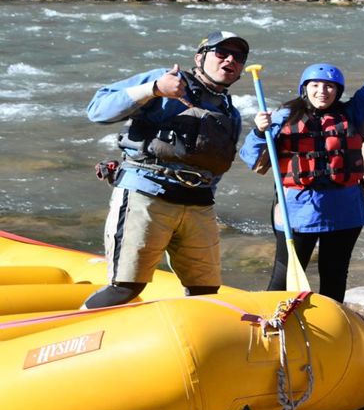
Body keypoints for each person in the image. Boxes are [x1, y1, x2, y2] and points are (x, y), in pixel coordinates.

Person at [238, 19, 364, 301]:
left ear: (338, 90)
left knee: (334, 276)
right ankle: (271, 326)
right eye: (316, 85)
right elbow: (251, 157)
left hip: (344, 211)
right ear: (304, 89)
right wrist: (260, 131)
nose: (323, 91)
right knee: (283, 277)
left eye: (330, 86)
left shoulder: (353, 114)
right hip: (297, 211)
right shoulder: (284, 117)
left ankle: (329, 332)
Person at [84, 31, 249, 308]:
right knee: (124, 288)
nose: (229, 60)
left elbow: (215, 164)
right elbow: (97, 110)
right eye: (221, 53)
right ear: (200, 57)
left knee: (205, 291)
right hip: (147, 195)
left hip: (199, 205)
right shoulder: (166, 80)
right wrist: (154, 89)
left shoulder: (230, 112)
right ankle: (75, 337)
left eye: (238, 57)